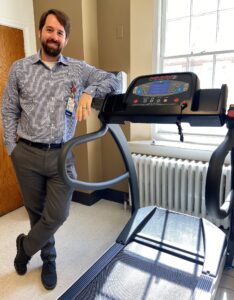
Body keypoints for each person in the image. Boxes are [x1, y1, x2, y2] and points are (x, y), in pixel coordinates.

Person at [1, 9, 119, 290]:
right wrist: (11, 149)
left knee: (58, 214)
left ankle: (25, 247)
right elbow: (8, 111)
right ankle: (49, 258)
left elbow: (115, 80)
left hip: (62, 154)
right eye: (50, 30)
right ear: (40, 32)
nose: (54, 36)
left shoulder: (78, 69)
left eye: (60, 33)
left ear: (66, 39)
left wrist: (89, 92)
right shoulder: (20, 68)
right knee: (36, 212)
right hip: (26, 154)